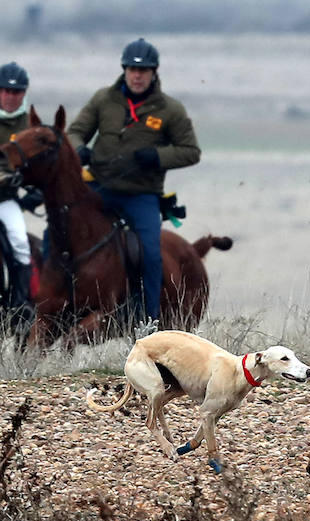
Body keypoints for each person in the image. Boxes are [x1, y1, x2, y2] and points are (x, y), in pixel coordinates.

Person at [67, 38, 200, 322]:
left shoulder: (169, 109)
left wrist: (157, 156)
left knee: (151, 254)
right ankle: (51, 302)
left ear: (154, 72)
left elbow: (191, 151)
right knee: (61, 233)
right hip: (98, 189)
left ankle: (146, 321)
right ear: (124, 70)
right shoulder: (103, 99)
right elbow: (75, 131)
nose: (137, 76)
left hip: (141, 195)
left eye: (144, 71)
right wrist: (79, 149)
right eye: (132, 70)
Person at [0, 61, 43, 325]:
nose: (10, 96)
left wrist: (33, 190)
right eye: (5, 90)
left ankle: (19, 307)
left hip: (5, 200)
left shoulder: (29, 126)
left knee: (19, 243)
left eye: (16, 92)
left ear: (24, 93)